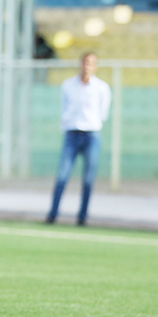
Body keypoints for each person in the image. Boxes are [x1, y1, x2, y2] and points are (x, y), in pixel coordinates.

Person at [46, 52, 111, 226]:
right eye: (85, 62)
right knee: (62, 176)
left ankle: (82, 217)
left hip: (91, 135)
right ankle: (52, 214)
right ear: (80, 63)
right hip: (72, 134)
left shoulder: (101, 87)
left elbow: (103, 112)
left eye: (91, 63)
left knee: (88, 179)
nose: (87, 66)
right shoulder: (68, 85)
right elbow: (64, 107)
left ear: (95, 66)